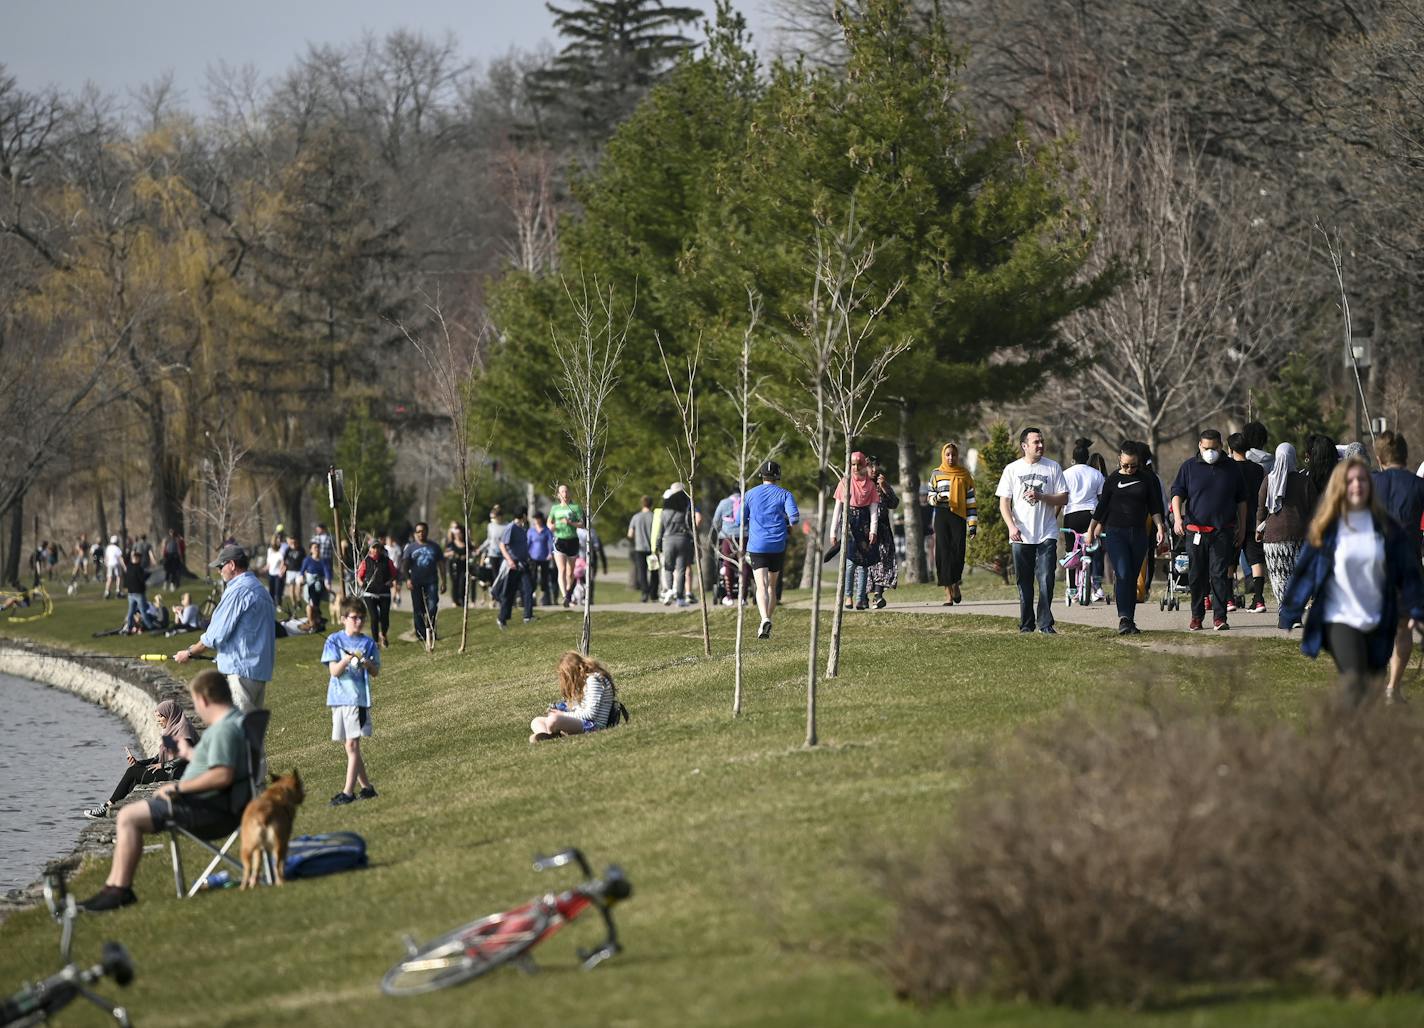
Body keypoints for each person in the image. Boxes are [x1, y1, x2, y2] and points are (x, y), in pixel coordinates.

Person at [80, 670, 252, 911]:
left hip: (208, 811)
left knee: (128, 817)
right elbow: (214, 763)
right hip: (215, 805)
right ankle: (115, 889)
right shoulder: (235, 722)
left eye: (195, 702)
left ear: (203, 700)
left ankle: (117, 890)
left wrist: (179, 787)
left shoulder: (224, 729)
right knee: (129, 814)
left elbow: (223, 775)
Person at [1279, 458, 1424, 705]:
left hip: (1379, 618)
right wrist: (1291, 610)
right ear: (1340, 487)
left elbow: (1407, 570)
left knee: (1372, 687)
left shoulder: (1386, 528)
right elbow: (1305, 571)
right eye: (1350, 481)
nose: (1357, 485)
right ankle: (1346, 735)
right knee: (1355, 677)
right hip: (1340, 617)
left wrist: (1416, 607)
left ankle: (1361, 737)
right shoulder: (1328, 528)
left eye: (1362, 480)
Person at [173, 545, 276, 712]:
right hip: (258, 672)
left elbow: (215, 635)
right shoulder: (260, 589)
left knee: (236, 732)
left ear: (232, 565)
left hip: (240, 673)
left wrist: (189, 652)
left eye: (221, 566)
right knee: (251, 734)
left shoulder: (238, 590)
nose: (219, 571)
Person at [1170, 429, 1248, 632]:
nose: (1210, 452)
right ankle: (1197, 616)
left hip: (1222, 530)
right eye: (1206, 448)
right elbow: (1177, 493)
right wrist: (1178, 519)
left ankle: (1220, 617)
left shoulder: (1231, 468)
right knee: (1196, 575)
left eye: (1214, 448)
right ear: (1199, 446)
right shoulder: (1189, 467)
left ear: (1221, 447)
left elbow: (1242, 500)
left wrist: (1242, 527)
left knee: (1219, 575)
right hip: (1195, 531)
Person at [1086, 443, 1166, 634]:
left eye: (1134, 466)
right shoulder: (1113, 479)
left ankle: (1129, 619)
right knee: (1122, 573)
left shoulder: (1146, 479)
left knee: (1132, 576)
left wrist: (1160, 527)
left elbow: (1154, 506)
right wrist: (1091, 529)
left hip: (1138, 534)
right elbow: (1102, 507)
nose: (1129, 470)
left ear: (1139, 463)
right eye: (1126, 466)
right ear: (1119, 461)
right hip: (1116, 533)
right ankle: (1124, 618)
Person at [996, 428, 1069, 634]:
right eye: (1036, 442)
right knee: (1024, 581)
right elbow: (1004, 503)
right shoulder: (1012, 469)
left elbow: (1063, 498)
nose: (1040, 445)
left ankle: (1045, 623)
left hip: (1046, 534)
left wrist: (1043, 497)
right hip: (1020, 535)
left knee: (1046, 579)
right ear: (1024, 446)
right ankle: (1026, 624)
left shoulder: (1053, 467)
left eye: (1042, 441)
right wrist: (1011, 527)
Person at [1372, 431, 1424, 702]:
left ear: (1379, 458)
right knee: (1402, 628)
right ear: (1406, 456)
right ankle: (1393, 686)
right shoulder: (1418, 486)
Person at [84, 699, 199, 819]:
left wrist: (164, 765)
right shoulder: (169, 730)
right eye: (157, 717)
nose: (158, 720)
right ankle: (115, 810)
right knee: (135, 771)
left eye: (160, 717)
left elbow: (186, 756)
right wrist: (139, 762)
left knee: (132, 772)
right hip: (171, 769)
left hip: (179, 772)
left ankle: (108, 806)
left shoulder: (184, 728)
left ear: (170, 714)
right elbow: (158, 757)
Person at [322, 598, 381, 805]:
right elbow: (334, 672)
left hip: (357, 699)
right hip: (338, 699)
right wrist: (347, 659)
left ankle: (348, 793)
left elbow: (376, 671)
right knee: (349, 747)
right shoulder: (333, 640)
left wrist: (366, 663)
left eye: (362, 618)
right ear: (343, 619)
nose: (359, 622)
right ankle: (367, 788)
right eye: (354, 618)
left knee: (352, 743)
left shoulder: (368, 643)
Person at [737, 460, 800, 640]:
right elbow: (794, 519)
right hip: (777, 545)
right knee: (772, 586)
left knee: (761, 585)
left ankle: (764, 618)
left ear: (761, 475)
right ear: (778, 476)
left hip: (757, 545)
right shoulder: (785, 494)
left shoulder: (749, 494)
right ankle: (767, 620)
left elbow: (739, 520)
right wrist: (786, 521)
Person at [1257, 442, 1318, 610]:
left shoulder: (1268, 480)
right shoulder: (1304, 481)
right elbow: (1314, 510)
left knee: (1279, 577)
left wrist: (1258, 528)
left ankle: (1286, 612)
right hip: (1300, 535)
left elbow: (1261, 509)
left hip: (1273, 537)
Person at [529, 651, 619, 742]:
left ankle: (552, 734)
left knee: (553, 720)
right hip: (582, 721)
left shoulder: (593, 680)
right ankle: (549, 735)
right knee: (536, 721)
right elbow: (578, 708)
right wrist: (561, 709)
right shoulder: (583, 680)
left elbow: (590, 714)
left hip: (593, 726)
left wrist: (563, 714)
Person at [927, 443, 976, 605]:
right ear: (943, 455)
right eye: (947, 454)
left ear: (957, 456)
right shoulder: (936, 473)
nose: (950, 458)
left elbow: (971, 501)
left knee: (958, 552)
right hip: (942, 515)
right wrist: (937, 499)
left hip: (958, 516)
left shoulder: (964, 475)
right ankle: (948, 593)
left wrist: (972, 525)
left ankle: (955, 583)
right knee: (943, 554)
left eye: (953, 455)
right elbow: (930, 495)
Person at [830, 452, 880, 611]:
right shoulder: (845, 482)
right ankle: (848, 596)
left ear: (864, 465)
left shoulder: (870, 485)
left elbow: (874, 510)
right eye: (853, 464)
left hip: (864, 525)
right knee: (850, 563)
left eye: (859, 464)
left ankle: (860, 599)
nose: (856, 467)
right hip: (849, 525)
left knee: (863, 564)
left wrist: (873, 530)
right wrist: (833, 531)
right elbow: (837, 509)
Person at [1062, 437, 1106, 604]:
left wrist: (1054, 516)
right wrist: (1101, 522)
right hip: (1091, 515)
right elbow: (1102, 501)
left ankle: (1072, 588)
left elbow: (1062, 499)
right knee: (1094, 551)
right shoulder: (1096, 474)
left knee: (1071, 553)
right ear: (1087, 458)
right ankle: (1097, 584)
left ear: (1073, 459)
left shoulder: (1065, 474)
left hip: (1071, 516)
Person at [1228, 432, 1268, 613]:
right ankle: (1259, 599)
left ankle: (1229, 600)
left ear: (1230, 449)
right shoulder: (1258, 469)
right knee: (1256, 561)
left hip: (1233, 522)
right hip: (1254, 521)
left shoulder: (1228, 468)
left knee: (1230, 562)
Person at [402, 522, 446, 644]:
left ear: (427, 531)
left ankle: (431, 630)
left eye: (423, 531)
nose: (421, 533)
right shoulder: (410, 548)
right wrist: (407, 579)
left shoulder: (435, 547)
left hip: (431, 581)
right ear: (415, 534)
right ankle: (421, 633)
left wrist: (444, 581)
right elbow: (405, 565)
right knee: (418, 609)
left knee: (432, 606)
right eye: (418, 531)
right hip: (415, 582)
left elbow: (441, 564)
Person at [493, 506, 536, 628]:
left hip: (523, 563)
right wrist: (510, 560)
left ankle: (528, 616)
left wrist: (529, 558)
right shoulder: (511, 528)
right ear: (523, 515)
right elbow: (502, 545)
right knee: (509, 593)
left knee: (528, 589)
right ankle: (502, 618)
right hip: (513, 565)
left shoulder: (523, 528)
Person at [866, 460, 899, 609]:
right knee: (867, 564)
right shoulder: (860, 484)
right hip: (865, 529)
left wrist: (885, 487)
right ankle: (862, 595)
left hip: (883, 529)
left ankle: (878, 595)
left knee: (882, 562)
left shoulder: (882, 483)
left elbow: (894, 503)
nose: (873, 469)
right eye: (870, 466)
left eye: (875, 466)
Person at [659, 482, 698, 607]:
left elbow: (661, 529)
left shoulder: (664, 512)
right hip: (683, 541)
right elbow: (691, 527)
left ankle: (669, 590)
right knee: (681, 570)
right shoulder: (685, 511)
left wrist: (657, 544)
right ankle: (680, 598)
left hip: (668, 541)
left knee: (668, 567)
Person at [355, 537, 398, 647]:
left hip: (384, 592)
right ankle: (375, 641)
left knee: (384, 617)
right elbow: (359, 576)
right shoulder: (365, 562)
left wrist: (390, 581)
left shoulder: (387, 561)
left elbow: (394, 574)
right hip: (370, 593)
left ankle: (383, 634)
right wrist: (361, 583)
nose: (376, 550)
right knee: (374, 617)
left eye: (377, 547)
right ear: (370, 549)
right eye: (373, 547)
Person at [711, 488, 747, 607]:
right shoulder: (746, 501)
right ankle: (744, 596)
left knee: (728, 564)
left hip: (727, 536)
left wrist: (721, 529)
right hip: (744, 536)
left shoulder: (724, 503)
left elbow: (716, 521)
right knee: (744, 564)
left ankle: (729, 596)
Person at [549, 485, 584, 608]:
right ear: (558, 495)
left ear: (569, 494)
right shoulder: (555, 508)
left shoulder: (575, 508)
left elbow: (582, 524)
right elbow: (549, 522)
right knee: (562, 570)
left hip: (572, 540)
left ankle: (568, 593)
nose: (565, 493)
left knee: (570, 573)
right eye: (562, 491)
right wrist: (551, 526)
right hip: (559, 541)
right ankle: (565, 596)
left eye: (566, 491)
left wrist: (570, 523)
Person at [626, 496, 655, 602]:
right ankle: (654, 593)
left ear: (642, 504)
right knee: (653, 571)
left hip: (639, 548)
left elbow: (630, 534)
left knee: (642, 572)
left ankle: (644, 593)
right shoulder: (654, 517)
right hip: (652, 549)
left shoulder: (636, 517)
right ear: (651, 504)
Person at [528, 511, 557, 606]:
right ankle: (532, 596)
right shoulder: (531, 531)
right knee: (533, 577)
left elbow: (550, 543)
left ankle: (544, 596)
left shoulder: (546, 531)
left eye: (537, 518)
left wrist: (550, 554)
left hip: (544, 558)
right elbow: (528, 543)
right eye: (535, 518)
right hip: (533, 557)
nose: (536, 520)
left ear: (541, 519)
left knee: (544, 578)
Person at [299, 542, 329, 630]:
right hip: (310, 585)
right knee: (310, 604)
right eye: (315, 547)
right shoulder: (307, 560)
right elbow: (302, 571)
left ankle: (315, 621)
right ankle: (311, 623)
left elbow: (327, 572)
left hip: (319, 585)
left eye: (318, 547)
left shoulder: (323, 561)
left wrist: (328, 582)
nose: (317, 549)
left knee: (315, 605)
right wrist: (301, 578)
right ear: (311, 550)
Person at [121, 550, 149, 634]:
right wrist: (147, 575)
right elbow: (142, 579)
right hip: (139, 593)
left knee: (131, 611)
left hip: (130, 593)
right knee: (143, 611)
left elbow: (127, 579)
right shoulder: (138, 568)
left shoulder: (129, 567)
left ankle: (129, 626)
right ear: (137, 559)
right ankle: (150, 626)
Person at [445, 523, 470, 610]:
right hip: (453, 567)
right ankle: (455, 601)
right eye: (457, 534)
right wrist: (450, 554)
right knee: (455, 583)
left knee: (462, 583)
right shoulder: (451, 544)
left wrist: (467, 556)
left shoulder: (466, 544)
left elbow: (472, 552)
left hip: (463, 567)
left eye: (460, 534)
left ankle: (463, 600)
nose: (459, 535)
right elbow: (445, 554)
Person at [265, 533, 287, 605]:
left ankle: (279, 605)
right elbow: (268, 563)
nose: (279, 540)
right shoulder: (269, 550)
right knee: (271, 591)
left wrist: (282, 571)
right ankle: (271, 605)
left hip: (278, 574)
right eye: (277, 539)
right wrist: (264, 569)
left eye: (279, 539)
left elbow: (283, 563)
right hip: (271, 573)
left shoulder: (282, 550)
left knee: (278, 591)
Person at [103, 535, 123, 600]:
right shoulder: (117, 548)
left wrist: (106, 564)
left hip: (110, 564)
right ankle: (118, 591)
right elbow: (120, 558)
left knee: (109, 578)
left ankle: (107, 592)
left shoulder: (108, 548)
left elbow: (106, 557)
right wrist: (124, 566)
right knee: (118, 577)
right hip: (116, 564)